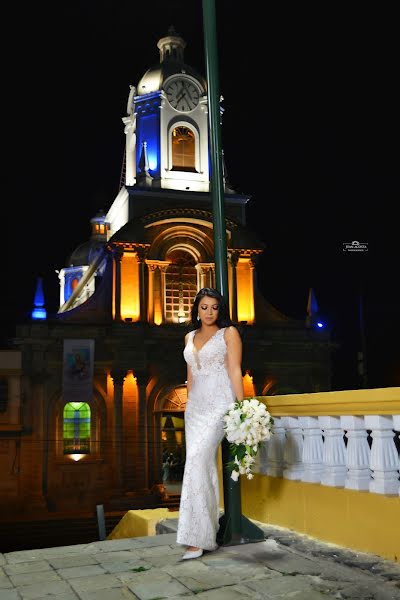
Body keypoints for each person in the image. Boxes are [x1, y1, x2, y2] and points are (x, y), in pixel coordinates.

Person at [176, 287, 244, 560]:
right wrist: (188, 406)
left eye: (214, 307)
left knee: (196, 460)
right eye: (204, 307)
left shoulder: (229, 333)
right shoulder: (189, 336)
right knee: (198, 465)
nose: (209, 312)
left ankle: (198, 539)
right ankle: (201, 532)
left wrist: (243, 407)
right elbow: (191, 375)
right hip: (195, 409)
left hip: (219, 404)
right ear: (197, 309)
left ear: (220, 310)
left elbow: (235, 369)